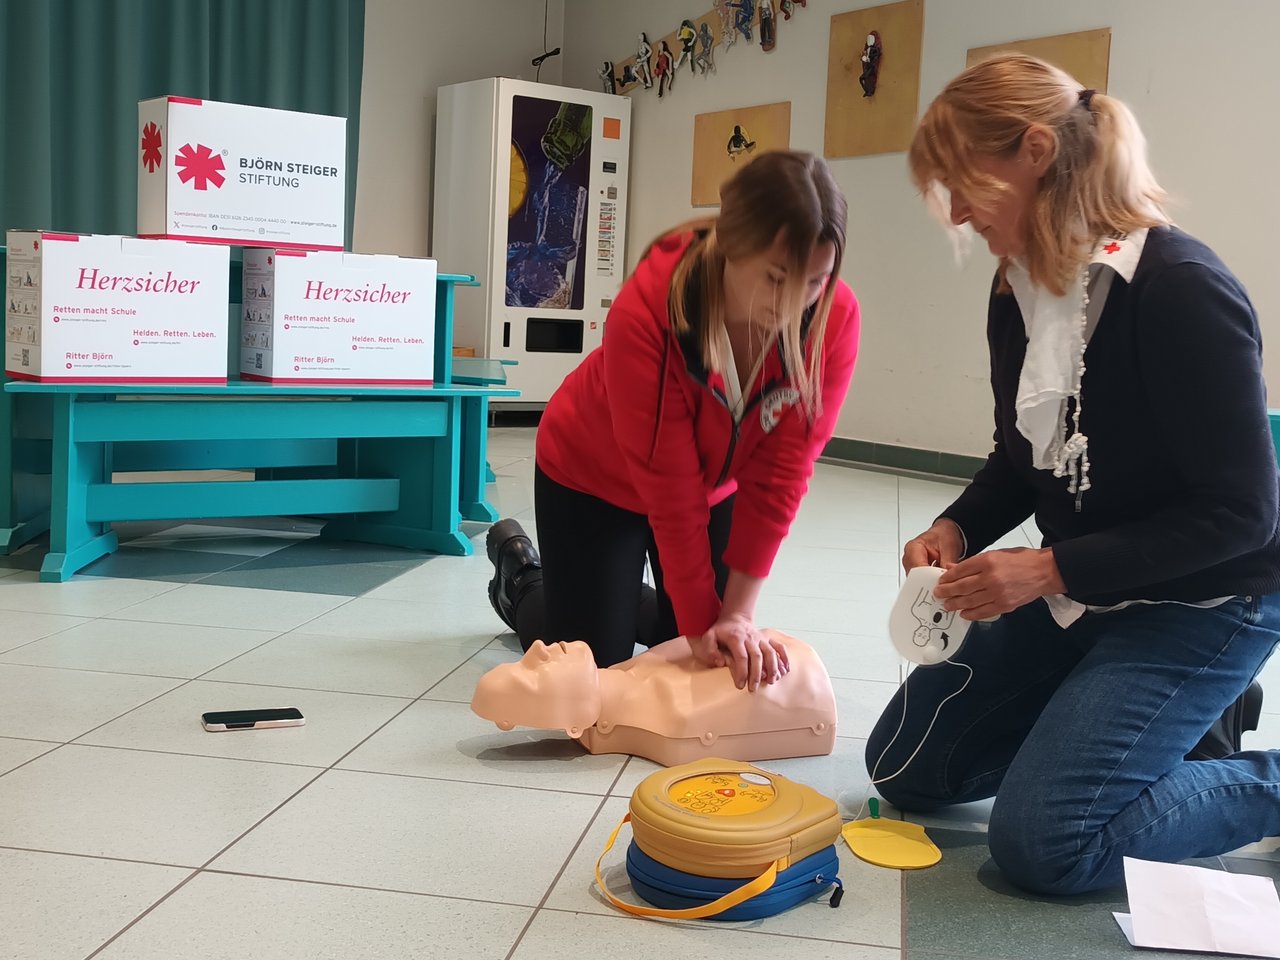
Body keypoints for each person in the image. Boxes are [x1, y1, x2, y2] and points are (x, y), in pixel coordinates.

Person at [865, 53, 1279, 896]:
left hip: (1208, 599)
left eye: (959, 183)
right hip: (1087, 591)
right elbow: (1021, 463)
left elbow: (1245, 515)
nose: (951, 210)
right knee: (906, 769)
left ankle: (1257, 780)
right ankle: (1166, 732)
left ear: (1036, 152)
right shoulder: (1014, 288)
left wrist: (1049, 569)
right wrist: (955, 529)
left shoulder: (1181, 290)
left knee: (1046, 847)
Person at [486, 150, 859, 694]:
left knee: (697, 640)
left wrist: (732, 617)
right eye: (778, 278)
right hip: (592, 474)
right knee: (596, 669)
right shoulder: (647, 310)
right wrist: (704, 620)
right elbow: (669, 487)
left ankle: (618, 593)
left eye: (815, 280)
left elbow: (782, 476)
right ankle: (523, 579)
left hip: (712, 486)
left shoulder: (833, 319)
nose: (792, 306)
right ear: (732, 246)